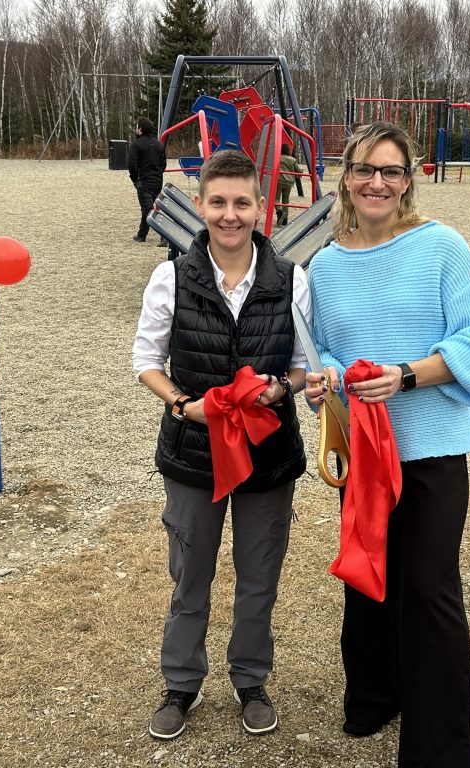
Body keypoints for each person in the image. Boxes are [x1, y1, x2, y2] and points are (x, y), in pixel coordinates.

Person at [304, 122, 470, 767]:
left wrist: (408, 375)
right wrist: (328, 375)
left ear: (409, 179)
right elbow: (323, 347)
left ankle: (440, 747)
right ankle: (373, 697)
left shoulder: (443, 247)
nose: (376, 183)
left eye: (390, 171)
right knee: (367, 577)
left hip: (433, 446)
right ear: (346, 176)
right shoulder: (327, 264)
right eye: (365, 169)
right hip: (363, 446)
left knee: (427, 585)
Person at [132, 149, 311, 741]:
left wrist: (279, 389)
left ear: (261, 207)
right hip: (194, 453)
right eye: (218, 203)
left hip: (267, 452)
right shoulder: (171, 276)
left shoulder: (291, 278)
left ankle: (251, 678)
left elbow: (304, 365)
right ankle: (180, 683)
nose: (230, 215)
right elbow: (146, 361)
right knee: (190, 576)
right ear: (200, 206)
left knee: (259, 574)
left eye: (242, 203)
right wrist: (187, 405)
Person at [129, 117, 166, 243]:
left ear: (140, 129)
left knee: (148, 210)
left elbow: (131, 165)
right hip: (157, 181)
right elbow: (163, 164)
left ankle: (165, 235)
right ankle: (141, 235)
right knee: (147, 208)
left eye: (136, 127)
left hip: (144, 182)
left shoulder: (136, 145)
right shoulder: (159, 144)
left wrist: (134, 179)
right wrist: (158, 174)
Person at [275, 144, 299, 227]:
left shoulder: (277, 157)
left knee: (276, 199)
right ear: (288, 150)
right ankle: (285, 220)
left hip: (278, 181)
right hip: (289, 182)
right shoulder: (292, 159)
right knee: (286, 201)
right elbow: (298, 170)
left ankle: (280, 211)